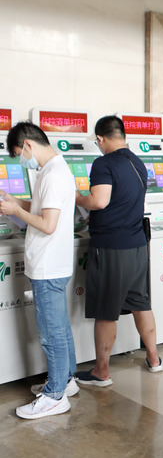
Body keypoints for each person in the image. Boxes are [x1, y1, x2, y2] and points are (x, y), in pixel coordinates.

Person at [75, 116, 162, 386]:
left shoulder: (103, 163)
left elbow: (99, 201)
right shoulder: (137, 162)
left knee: (106, 311)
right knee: (141, 303)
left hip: (111, 247)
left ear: (100, 139)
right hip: (137, 246)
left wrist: (74, 196)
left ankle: (101, 372)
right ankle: (154, 359)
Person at [0, 122, 77, 419]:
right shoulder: (52, 170)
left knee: (51, 332)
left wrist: (16, 212)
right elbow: (44, 208)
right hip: (52, 262)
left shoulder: (54, 174)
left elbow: (48, 224)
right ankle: (66, 381)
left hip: (48, 266)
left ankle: (55, 395)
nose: (22, 160)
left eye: (20, 153)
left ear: (29, 145)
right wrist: (17, 202)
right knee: (60, 327)